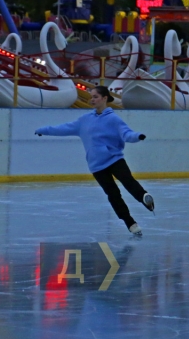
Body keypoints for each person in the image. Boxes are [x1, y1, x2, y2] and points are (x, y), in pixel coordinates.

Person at [35, 86, 154, 236]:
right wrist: (43, 130)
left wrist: (137, 136)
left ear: (105, 98)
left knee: (127, 180)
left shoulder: (113, 119)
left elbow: (126, 133)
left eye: (95, 96)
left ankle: (144, 198)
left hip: (114, 158)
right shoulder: (84, 120)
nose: (92, 99)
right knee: (113, 195)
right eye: (91, 97)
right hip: (97, 165)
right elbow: (63, 128)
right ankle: (130, 223)